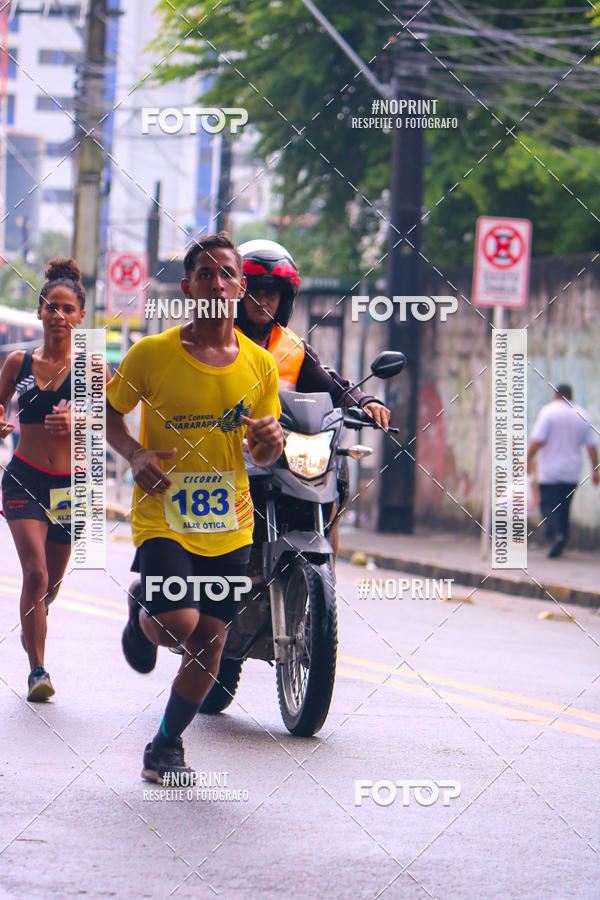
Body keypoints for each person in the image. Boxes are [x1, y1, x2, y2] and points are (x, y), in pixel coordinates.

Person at [106, 232, 283, 782]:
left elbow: (262, 447)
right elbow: (109, 413)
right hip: (164, 516)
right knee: (181, 622)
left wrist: (269, 442)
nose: (217, 281)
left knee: (212, 641)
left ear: (241, 287)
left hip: (229, 523)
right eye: (205, 273)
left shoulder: (260, 366)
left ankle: (164, 746)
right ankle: (146, 617)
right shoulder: (151, 354)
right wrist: (135, 454)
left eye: (227, 273)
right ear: (187, 288)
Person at [236, 239, 391, 553]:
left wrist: (365, 402)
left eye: (271, 293)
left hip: (281, 451)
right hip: (232, 451)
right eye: (254, 291)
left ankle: (326, 563)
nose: (262, 300)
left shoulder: (292, 349)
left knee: (338, 474)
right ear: (238, 294)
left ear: (284, 299)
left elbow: (332, 386)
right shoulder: (219, 341)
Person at [0, 259, 85, 701]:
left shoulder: (90, 369)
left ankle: (36, 614)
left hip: (70, 488)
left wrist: (80, 421)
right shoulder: (18, 362)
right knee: (33, 574)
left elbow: (115, 422)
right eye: (51, 307)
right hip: (24, 479)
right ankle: (38, 670)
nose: (58, 315)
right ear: (39, 312)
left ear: (80, 317)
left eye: (67, 308)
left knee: (50, 583)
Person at [527, 383, 599, 558]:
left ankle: (555, 534)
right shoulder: (583, 414)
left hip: (550, 471)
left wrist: (528, 458)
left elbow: (537, 440)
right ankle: (563, 538)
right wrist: (595, 469)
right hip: (572, 471)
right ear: (571, 396)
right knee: (564, 507)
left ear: (555, 395)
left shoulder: (548, 412)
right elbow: (591, 447)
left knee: (547, 504)